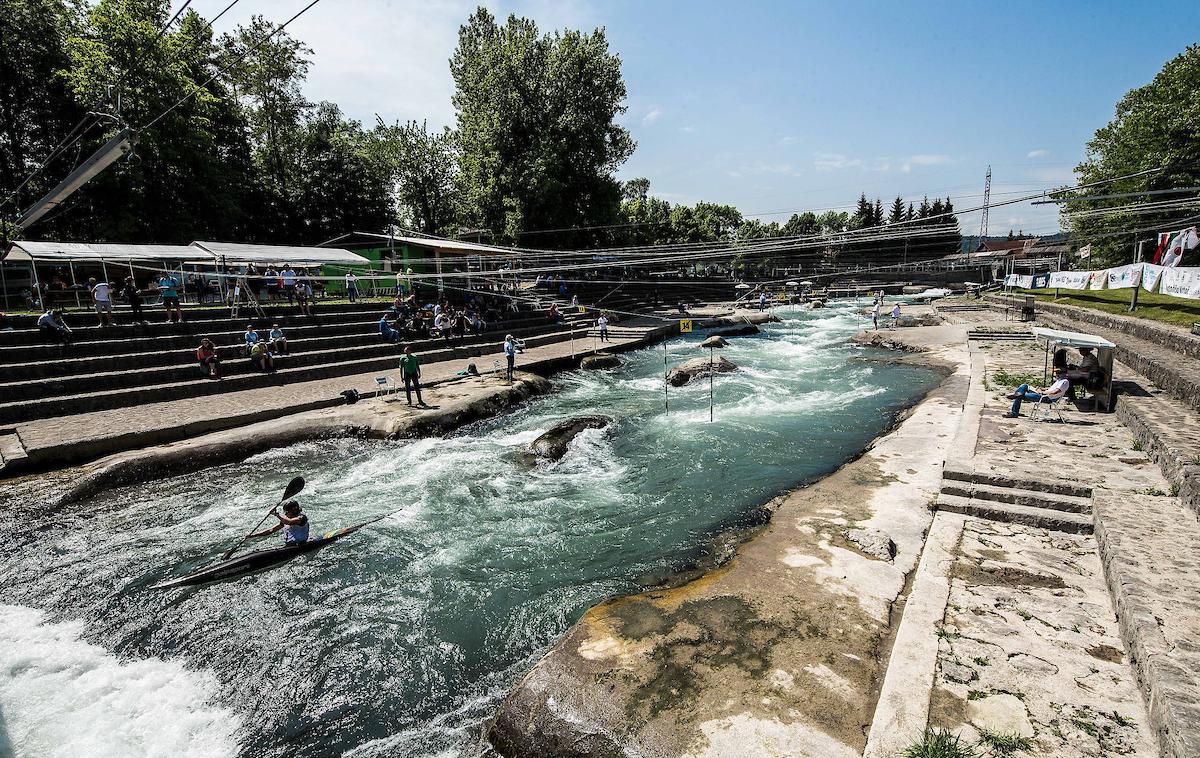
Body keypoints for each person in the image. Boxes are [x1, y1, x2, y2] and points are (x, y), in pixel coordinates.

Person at [1003, 366, 1071, 418]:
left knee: (1020, 395)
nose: (1056, 374)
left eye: (1058, 373)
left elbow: (1054, 392)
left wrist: (1041, 392)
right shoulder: (1059, 380)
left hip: (1046, 398)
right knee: (1024, 386)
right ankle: (1017, 396)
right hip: (1043, 394)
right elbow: (1051, 389)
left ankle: (1014, 412)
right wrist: (1042, 389)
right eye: (1056, 372)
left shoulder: (1064, 382)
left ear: (1063, 374)